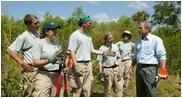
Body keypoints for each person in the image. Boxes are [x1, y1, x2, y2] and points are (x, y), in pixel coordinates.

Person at [68, 15, 116, 97]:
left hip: (88, 64)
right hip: (79, 64)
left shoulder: (88, 36)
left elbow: (92, 50)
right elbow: (71, 51)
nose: (91, 25)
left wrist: (104, 52)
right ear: (84, 23)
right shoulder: (75, 35)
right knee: (78, 88)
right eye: (89, 23)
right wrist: (76, 66)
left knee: (87, 88)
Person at [130, 21, 168, 97]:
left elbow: (162, 56)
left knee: (151, 92)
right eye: (138, 28)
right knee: (140, 93)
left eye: (140, 28)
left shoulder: (156, 40)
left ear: (147, 29)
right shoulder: (138, 41)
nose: (138, 29)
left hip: (150, 69)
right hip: (139, 69)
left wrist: (163, 72)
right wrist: (131, 67)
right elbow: (135, 57)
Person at [6, 14, 40, 96]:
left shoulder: (38, 34)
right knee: (26, 93)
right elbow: (9, 50)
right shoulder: (24, 36)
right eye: (35, 23)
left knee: (37, 94)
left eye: (38, 22)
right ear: (28, 24)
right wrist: (22, 63)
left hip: (39, 70)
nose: (38, 25)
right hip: (29, 71)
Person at [30, 22, 62, 96]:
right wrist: (50, 60)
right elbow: (35, 63)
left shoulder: (57, 44)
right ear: (46, 32)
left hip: (57, 76)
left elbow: (58, 59)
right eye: (53, 30)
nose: (56, 32)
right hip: (43, 75)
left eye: (56, 30)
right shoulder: (39, 43)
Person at [97, 32, 123, 97]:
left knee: (119, 87)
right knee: (108, 88)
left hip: (116, 69)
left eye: (112, 38)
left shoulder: (115, 46)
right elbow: (100, 61)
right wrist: (100, 73)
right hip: (107, 70)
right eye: (110, 38)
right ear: (106, 39)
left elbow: (119, 58)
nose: (112, 40)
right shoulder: (102, 48)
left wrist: (120, 69)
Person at [116, 30, 134, 95]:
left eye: (127, 35)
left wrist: (132, 55)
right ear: (123, 35)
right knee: (119, 76)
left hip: (129, 61)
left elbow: (138, 50)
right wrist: (118, 57)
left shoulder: (131, 44)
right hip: (121, 61)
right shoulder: (119, 43)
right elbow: (114, 49)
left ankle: (124, 91)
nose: (126, 36)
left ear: (129, 36)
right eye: (125, 34)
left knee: (127, 76)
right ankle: (119, 92)